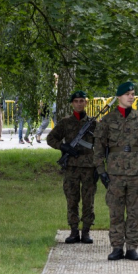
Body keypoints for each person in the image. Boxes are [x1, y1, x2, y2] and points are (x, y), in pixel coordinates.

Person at [93, 81, 138, 261]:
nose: (131, 97)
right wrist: (101, 170)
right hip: (115, 173)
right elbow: (98, 146)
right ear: (119, 97)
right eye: (127, 94)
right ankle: (117, 246)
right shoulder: (107, 120)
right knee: (116, 212)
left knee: (135, 212)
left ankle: (132, 247)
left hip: (136, 172)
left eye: (133, 93)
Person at [47, 91, 98, 244]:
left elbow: (102, 144)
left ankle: (86, 231)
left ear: (86, 103)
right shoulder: (65, 122)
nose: (79, 104)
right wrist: (63, 146)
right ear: (72, 103)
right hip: (71, 167)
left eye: (82, 101)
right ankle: (74, 231)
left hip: (89, 167)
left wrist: (98, 166)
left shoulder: (94, 123)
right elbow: (50, 138)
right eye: (76, 101)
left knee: (88, 200)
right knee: (72, 199)